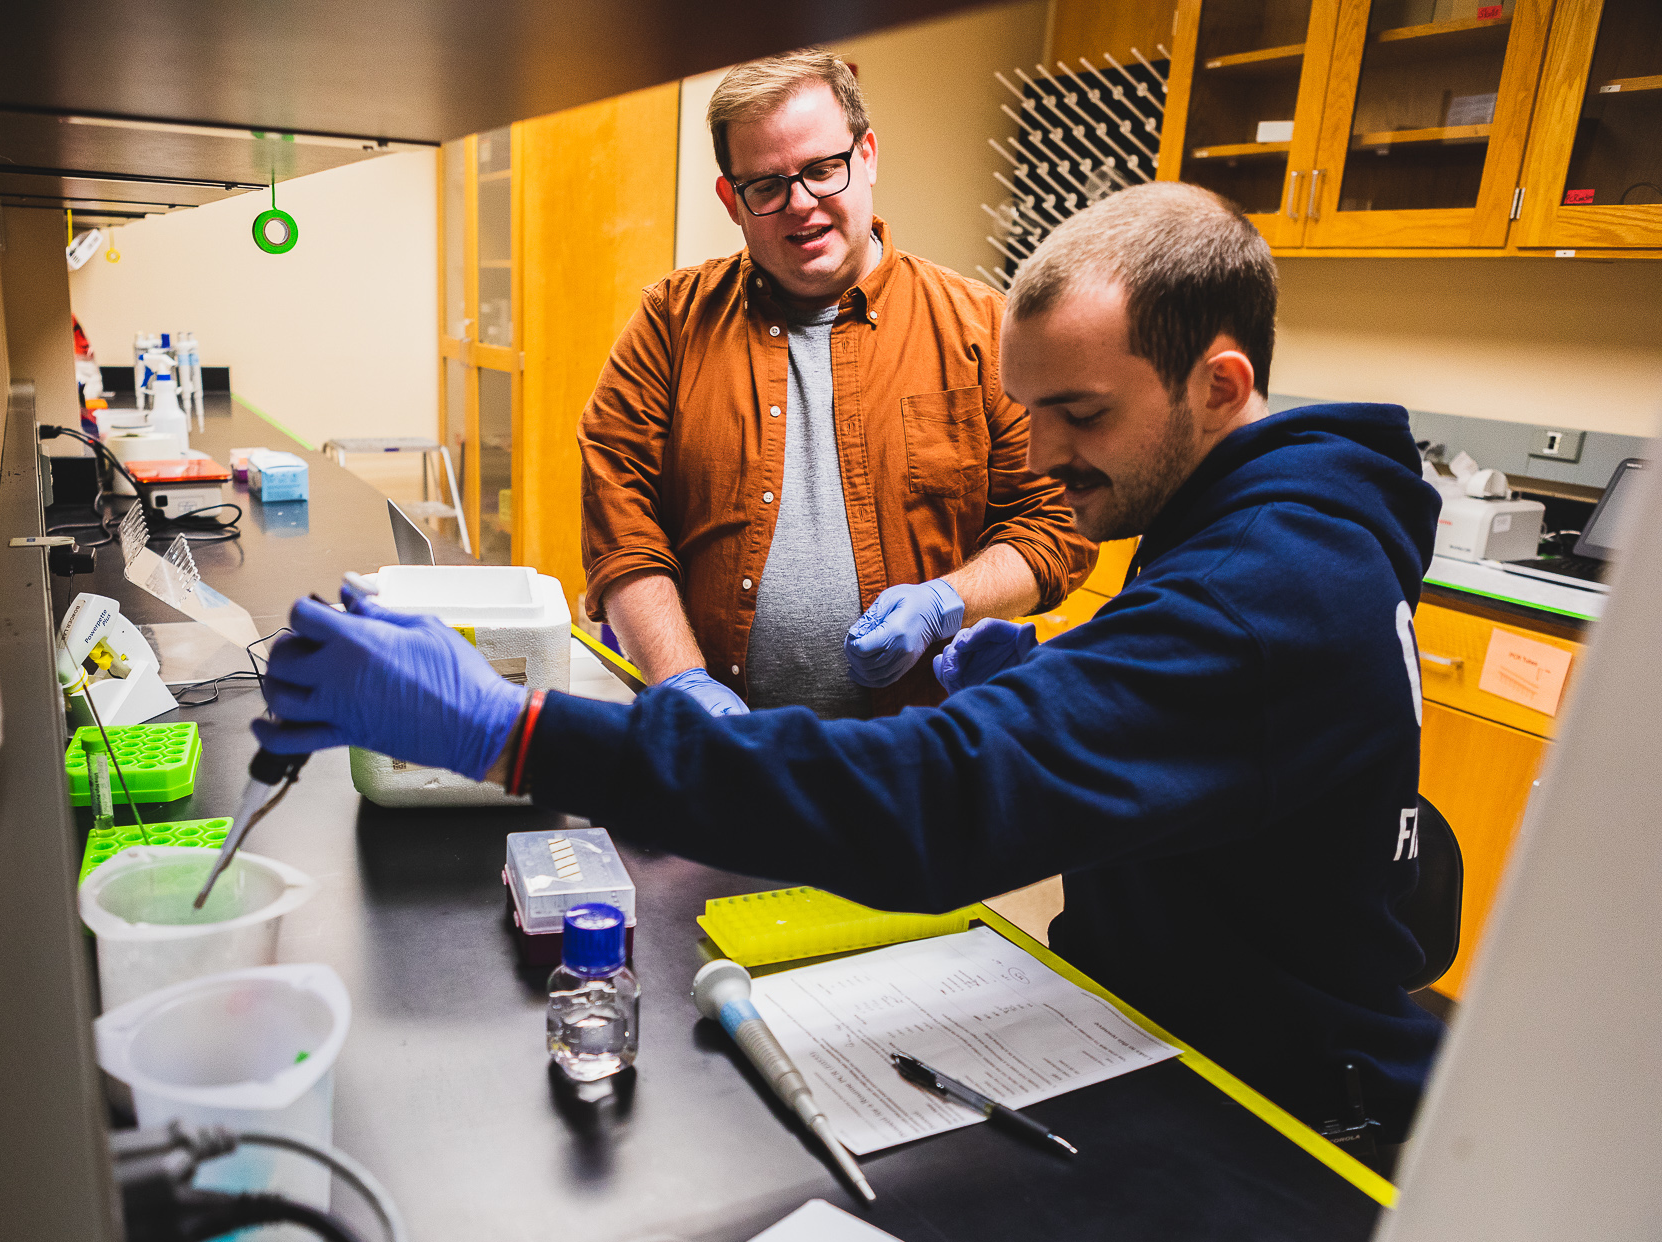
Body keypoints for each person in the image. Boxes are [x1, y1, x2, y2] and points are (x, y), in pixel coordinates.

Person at [253, 182, 1447, 1141]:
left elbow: (936, 806)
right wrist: (1052, 683)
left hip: (1270, 1098)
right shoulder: (1275, 521)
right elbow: (1226, 724)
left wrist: (509, 730)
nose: (1041, 454)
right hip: (1160, 1015)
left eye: (1077, 416)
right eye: (1029, 413)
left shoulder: (1273, 586)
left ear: (1218, 385)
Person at [581, 49, 1094, 720]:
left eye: (824, 168)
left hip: (915, 757)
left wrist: (950, 597)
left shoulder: (983, 331)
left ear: (869, 154)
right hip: (716, 761)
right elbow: (622, 525)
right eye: (766, 186)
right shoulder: (668, 324)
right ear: (732, 201)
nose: (803, 205)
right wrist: (681, 682)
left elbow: (1056, 524)